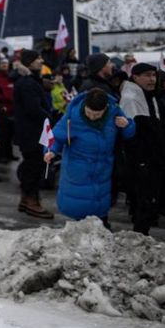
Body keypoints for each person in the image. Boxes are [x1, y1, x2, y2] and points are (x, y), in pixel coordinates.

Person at [44, 88, 135, 226]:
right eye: (89, 113)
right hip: (78, 170)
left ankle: (101, 229)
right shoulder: (73, 116)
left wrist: (127, 125)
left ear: (105, 109)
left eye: (97, 114)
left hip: (103, 170)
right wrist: (50, 151)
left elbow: (129, 134)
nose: (92, 117)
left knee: (100, 208)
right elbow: (55, 136)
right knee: (79, 211)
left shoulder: (114, 112)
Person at [120, 63, 165, 235]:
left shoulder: (149, 97)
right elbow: (130, 134)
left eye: (154, 75)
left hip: (153, 158)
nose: (152, 79)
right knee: (142, 201)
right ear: (135, 77)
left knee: (149, 201)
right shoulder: (131, 98)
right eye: (147, 75)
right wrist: (140, 161)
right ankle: (139, 236)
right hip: (141, 160)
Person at [13, 49, 55, 219]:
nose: (41, 60)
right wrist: (50, 116)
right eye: (38, 58)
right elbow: (33, 109)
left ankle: (25, 199)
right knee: (34, 167)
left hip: (30, 131)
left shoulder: (30, 82)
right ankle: (32, 201)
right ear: (29, 62)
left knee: (31, 165)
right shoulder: (27, 84)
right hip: (31, 132)